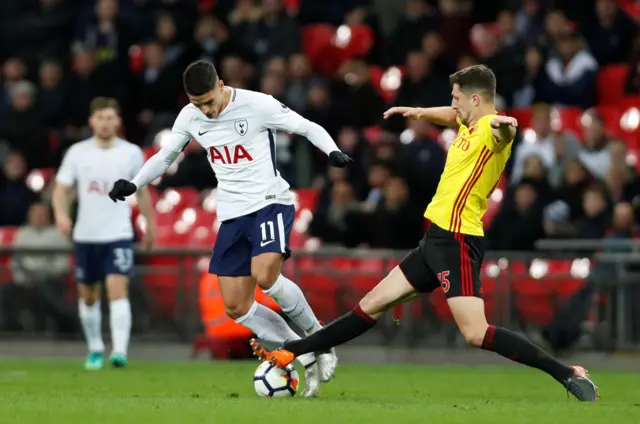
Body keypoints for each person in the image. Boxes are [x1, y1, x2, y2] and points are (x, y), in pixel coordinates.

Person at [250, 65, 599, 402]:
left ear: (476, 100)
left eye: (457, 97)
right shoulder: (468, 123)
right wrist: (418, 112)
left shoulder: (492, 129)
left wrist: (506, 126)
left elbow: (502, 131)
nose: (453, 104)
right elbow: (450, 115)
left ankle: (567, 373)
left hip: (458, 240)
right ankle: (290, 351)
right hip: (435, 240)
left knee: (476, 333)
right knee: (372, 304)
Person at [107, 60, 349, 397]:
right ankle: (303, 352)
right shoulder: (190, 116)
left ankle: (319, 338)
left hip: (269, 201)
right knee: (236, 306)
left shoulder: (258, 104)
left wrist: (332, 151)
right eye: (197, 103)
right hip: (233, 214)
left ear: (221, 85)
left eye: (208, 101)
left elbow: (306, 126)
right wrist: (134, 184)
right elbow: (165, 157)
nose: (205, 110)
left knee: (265, 275)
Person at [52, 97, 157, 370]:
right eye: (101, 118)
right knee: (88, 295)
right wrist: (62, 216)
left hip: (118, 233)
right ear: (92, 121)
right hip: (86, 235)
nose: (106, 123)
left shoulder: (132, 152)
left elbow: (142, 190)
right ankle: (96, 347)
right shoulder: (77, 153)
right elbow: (61, 189)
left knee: (117, 288)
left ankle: (119, 351)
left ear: (118, 120)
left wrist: (150, 224)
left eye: (111, 117)